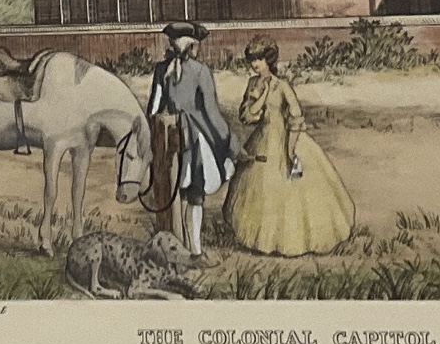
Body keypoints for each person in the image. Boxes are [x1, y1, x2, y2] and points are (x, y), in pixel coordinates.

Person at [225, 41, 356, 257]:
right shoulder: (252, 83)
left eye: (259, 59)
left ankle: (292, 241)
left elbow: (296, 116)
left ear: (269, 60)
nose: (255, 64)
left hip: (286, 138)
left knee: (292, 189)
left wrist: (291, 149)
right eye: (252, 60)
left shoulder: (283, 86)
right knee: (259, 187)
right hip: (262, 139)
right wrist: (263, 95)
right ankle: (262, 241)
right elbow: (247, 116)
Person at [146, 21, 236, 258]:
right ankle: (195, 250)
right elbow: (212, 113)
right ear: (191, 46)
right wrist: (230, 141)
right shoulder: (200, 71)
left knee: (178, 191)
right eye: (197, 45)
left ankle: (180, 245)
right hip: (194, 135)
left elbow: (154, 108)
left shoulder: (161, 69)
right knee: (195, 192)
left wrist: (156, 130)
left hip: (168, 133)